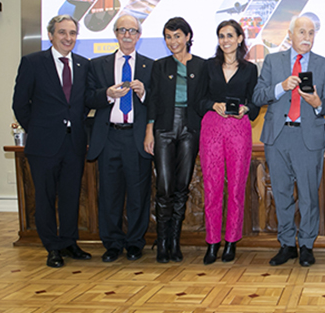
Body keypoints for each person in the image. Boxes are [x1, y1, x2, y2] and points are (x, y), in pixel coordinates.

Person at [252, 16, 325, 267]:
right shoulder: (273, 61)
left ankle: (307, 245)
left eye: (311, 32)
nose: (307, 37)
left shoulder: (324, 65)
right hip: (277, 136)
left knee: (309, 194)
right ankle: (287, 244)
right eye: (302, 32)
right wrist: (281, 86)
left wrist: (317, 103)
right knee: (281, 192)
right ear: (290, 35)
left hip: (307, 136)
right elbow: (258, 95)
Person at [12, 15, 92, 268]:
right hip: (43, 145)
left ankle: (69, 242)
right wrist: (37, 130)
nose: (68, 38)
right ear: (51, 35)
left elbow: (84, 102)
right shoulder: (33, 62)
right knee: (45, 198)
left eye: (73, 33)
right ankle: (52, 247)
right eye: (62, 33)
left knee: (70, 196)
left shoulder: (83, 64)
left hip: (74, 144)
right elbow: (20, 104)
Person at [86, 15, 153, 262]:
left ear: (138, 35)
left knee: (138, 194)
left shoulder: (150, 65)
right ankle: (112, 244)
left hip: (136, 138)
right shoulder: (98, 64)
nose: (127, 35)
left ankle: (135, 243)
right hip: (108, 137)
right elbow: (87, 98)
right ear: (115, 33)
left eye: (132, 31)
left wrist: (144, 93)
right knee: (110, 194)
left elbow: (157, 103)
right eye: (122, 30)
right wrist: (107, 94)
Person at [144, 17, 207, 263]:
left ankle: (174, 242)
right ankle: (162, 243)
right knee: (164, 187)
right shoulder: (160, 66)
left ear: (188, 37)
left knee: (182, 187)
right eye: (168, 37)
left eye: (177, 36)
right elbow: (154, 101)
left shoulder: (202, 66)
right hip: (164, 129)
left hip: (190, 129)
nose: (173, 42)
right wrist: (149, 131)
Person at [199, 20, 260, 265]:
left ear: (239, 38)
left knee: (235, 188)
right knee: (212, 188)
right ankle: (212, 242)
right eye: (221, 36)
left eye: (230, 36)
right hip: (212, 127)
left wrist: (246, 109)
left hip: (239, 129)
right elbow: (198, 99)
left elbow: (256, 102)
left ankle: (231, 241)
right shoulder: (208, 66)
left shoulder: (250, 69)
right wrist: (213, 105)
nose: (225, 40)